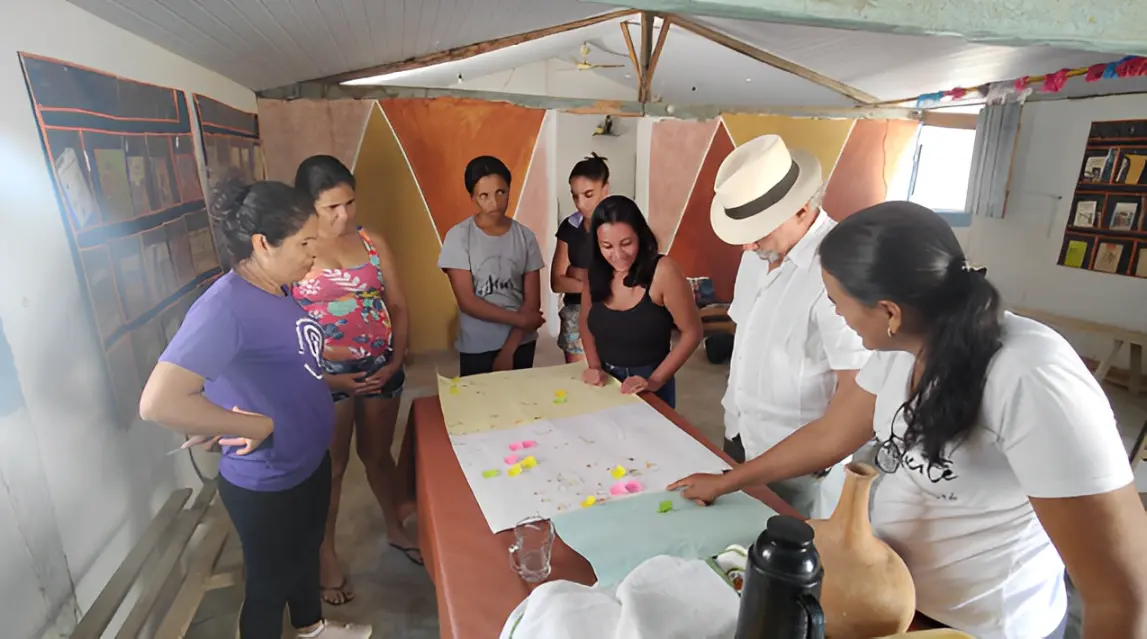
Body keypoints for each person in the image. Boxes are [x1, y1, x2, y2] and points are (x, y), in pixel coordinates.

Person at [670, 201, 1147, 639]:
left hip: (980, 627)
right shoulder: (902, 347)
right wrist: (730, 479)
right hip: (893, 605)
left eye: (837, 299)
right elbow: (833, 434)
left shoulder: (1033, 377)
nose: (834, 311)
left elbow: (1123, 596)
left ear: (890, 311)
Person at [139, 181, 371, 639]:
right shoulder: (225, 306)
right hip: (268, 480)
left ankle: (312, 628)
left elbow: (279, 363)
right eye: (305, 242)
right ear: (263, 244)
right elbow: (159, 401)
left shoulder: (281, 288)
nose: (314, 251)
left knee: (305, 553)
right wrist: (250, 423)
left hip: (308, 459)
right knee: (269, 586)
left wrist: (329, 377)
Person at [710, 134, 870, 518]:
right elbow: (746, 339)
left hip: (801, 462)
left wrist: (822, 453)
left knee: (794, 559)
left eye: (758, 233)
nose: (747, 248)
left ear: (800, 209)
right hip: (740, 435)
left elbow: (857, 392)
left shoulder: (839, 270)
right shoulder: (757, 255)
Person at [291, 155, 419, 605]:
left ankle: (395, 527)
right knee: (333, 468)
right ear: (309, 205)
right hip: (326, 377)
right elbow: (284, 321)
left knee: (378, 454)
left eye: (349, 202)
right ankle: (326, 555)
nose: (345, 215)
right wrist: (325, 371)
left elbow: (399, 305)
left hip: (380, 365)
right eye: (332, 208)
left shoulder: (371, 241)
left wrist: (396, 358)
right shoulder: (298, 248)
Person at [579, 195, 702, 408]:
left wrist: (654, 381)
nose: (618, 255)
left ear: (641, 237)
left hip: (649, 378)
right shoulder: (596, 272)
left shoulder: (663, 271)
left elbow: (692, 332)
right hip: (605, 380)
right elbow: (585, 321)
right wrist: (594, 366)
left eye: (626, 243)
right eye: (607, 246)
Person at [439, 155, 545, 376]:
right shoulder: (459, 237)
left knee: (522, 405)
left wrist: (509, 350)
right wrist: (521, 319)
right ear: (473, 198)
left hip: (521, 342)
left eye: (501, 192)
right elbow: (467, 301)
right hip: (477, 345)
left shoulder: (525, 237)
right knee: (479, 406)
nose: (494, 202)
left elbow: (532, 301)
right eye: (484, 195)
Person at [552, 153, 610, 363]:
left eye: (588, 194)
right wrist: (594, 281)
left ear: (605, 189)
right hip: (576, 312)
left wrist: (576, 273)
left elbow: (625, 278)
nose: (580, 203)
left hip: (614, 309)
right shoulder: (569, 227)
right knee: (579, 380)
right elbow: (557, 282)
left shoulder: (621, 224)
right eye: (575, 195)